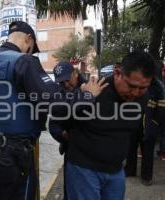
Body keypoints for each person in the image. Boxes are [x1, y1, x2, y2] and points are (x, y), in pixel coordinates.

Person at [0, 21, 107, 200]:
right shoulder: (24, 61)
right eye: (32, 47)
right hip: (15, 151)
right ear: (28, 39)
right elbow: (51, 101)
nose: (30, 51)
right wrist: (87, 96)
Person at [58, 51, 157, 200]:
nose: (136, 93)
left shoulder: (143, 97)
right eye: (131, 86)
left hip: (116, 172)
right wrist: (81, 98)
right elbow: (58, 117)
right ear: (117, 73)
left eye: (143, 88)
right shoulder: (93, 91)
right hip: (84, 171)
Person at [48, 61, 86, 200]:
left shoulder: (89, 88)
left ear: (75, 73)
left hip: (90, 151)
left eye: (67, 80)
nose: (65, 85)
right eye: (61, 82)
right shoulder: (59, 93)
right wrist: (62, 134)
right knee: (70, 191)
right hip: (71, 150)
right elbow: (53, 123)